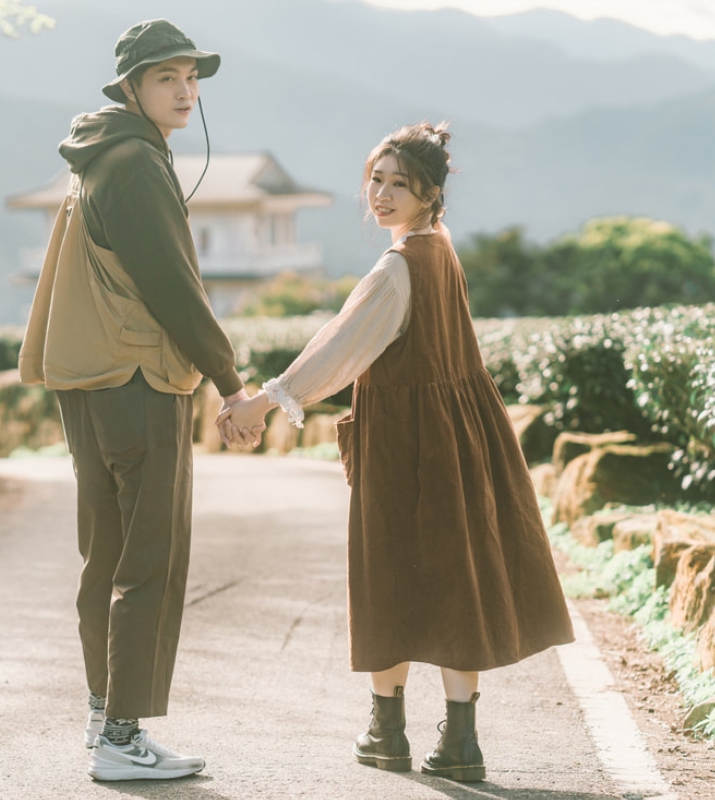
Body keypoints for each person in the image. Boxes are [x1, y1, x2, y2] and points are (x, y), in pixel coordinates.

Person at [219, 122, 576, 782]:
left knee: (389, 575)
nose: (381, 195)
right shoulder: (441, 249)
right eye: (375, 181)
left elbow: (337, 349)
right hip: (462, 431)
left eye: (399, 185)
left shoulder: (398, 267)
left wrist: (259, 405)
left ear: (430, 194)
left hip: (408, 439)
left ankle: (387, 733)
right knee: (454, 573)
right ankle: (460, 742)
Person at [18, 18, 253, 782]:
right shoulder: (139, 167)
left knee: (107, 555)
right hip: (139, 378)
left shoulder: (96, 159)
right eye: (167, 79)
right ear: (131, 88)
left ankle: (101, 717)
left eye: (191, 79)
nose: (185, 92)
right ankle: (123, 737)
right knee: (150, 556)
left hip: (87, 383)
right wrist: (230, 378)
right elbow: (175, 291)